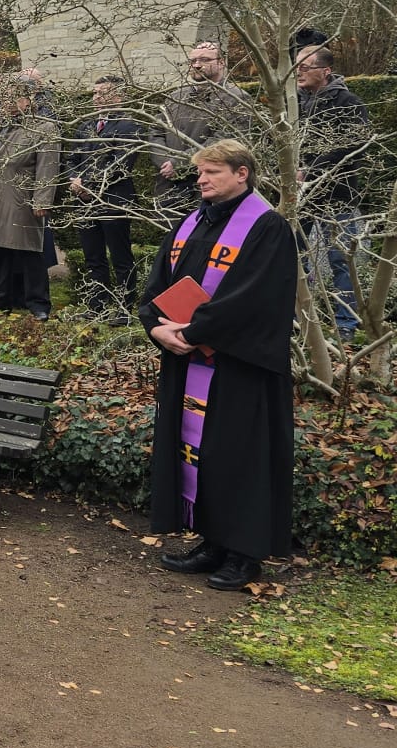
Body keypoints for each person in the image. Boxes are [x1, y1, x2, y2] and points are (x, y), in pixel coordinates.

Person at [140, 140, 295, 591]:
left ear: (242, 173)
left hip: (239, 366)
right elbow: (157, 286)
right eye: (200, 173)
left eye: (212, 172)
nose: (202, 180)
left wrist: (191, 333)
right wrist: (155, 327)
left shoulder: (267, 228)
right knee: (202, 455)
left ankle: (244, 553)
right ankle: (211, 541)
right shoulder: (190, 223)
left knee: (238, 458)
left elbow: (254, 298)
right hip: (189, 361)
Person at [0, 79, 62, 318]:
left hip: (20, 198)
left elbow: (48, 168)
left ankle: (38, 304)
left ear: (28, 101)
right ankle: (1, 298)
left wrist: (42, 200)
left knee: (30, 252)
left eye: (15, 97)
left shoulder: (44, 128)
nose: (8, 103)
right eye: (5, 98)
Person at [294, 44, 369, 338]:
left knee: (341, 260)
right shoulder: (293, 104)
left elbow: (354, 147)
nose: (298, 71)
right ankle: (295, 322)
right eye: (296, 66)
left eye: (305, 66)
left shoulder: (348, 102)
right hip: (298, 196)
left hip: (337, 195)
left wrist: (309, 171)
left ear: (325, 71)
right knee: (292, 256)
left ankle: (346, 326)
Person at [67, 77, 145, 323]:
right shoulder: (86, 126)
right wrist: (74, 181)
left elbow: (121, 164)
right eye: (95, 93)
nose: (96, 98)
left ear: (119, 97)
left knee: (120, 256)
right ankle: (97, 305)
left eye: (103, 93)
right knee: (93, 256)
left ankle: (124, 308)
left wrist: (89, 184)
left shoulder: (127, 126)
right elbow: (71, 159)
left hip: (114, 200)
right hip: (85, 202)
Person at [153, 41, 257, 220]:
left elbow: (224, 141)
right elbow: (156, 132)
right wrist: (165, 162)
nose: (197, 65)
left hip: (207, 188)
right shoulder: (175, 97)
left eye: (204, 59)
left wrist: (179, 164)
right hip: (168, 188)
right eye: (192, 61)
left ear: (221, 62)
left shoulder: (236, 98)